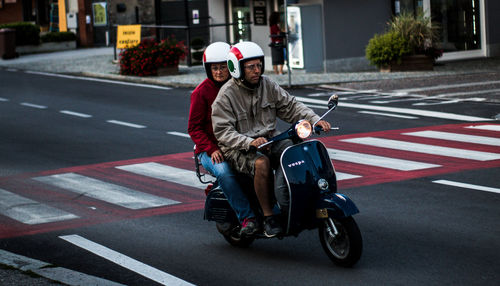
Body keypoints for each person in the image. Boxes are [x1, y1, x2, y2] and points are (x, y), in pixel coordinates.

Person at [211, 41, 331, 237]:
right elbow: (223, 131)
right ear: (237, 68)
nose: (256, 70)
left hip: (270, 139)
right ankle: (269, 217)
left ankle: (292, 199)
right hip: (238, 148)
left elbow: (291, 106)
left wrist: (315, 120)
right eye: (251, 67)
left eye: (259, 65)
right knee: (262, 163)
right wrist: (248, 142)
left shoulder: (267, 84)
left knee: (295, 150)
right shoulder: (226, 95)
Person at [188, 42, 258, 236]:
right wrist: (211, 149)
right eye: (214, 68)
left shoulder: (238, 86)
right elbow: (193, 128)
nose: (219, 72)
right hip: (210, 150)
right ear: (208, 69)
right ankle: (247, 218)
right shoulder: (200, 93)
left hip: (236, 143)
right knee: (225, 172)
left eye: (223, 67)